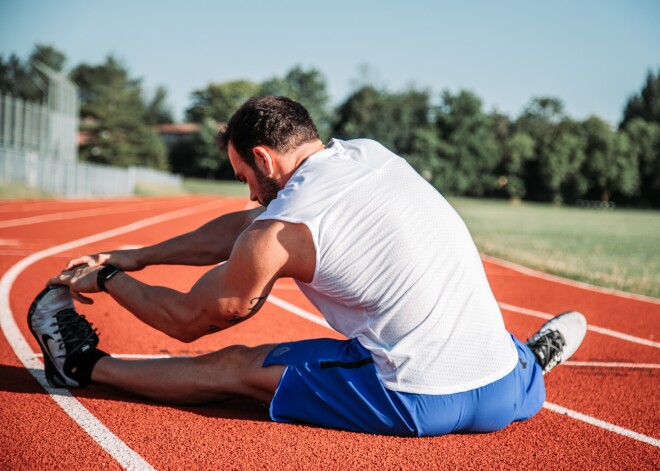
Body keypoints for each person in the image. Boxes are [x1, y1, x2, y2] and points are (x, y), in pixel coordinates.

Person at [28, 96, 587, 436]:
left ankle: (82, 367)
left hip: (415, 397)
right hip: (503, 392)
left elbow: (189, 318)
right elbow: (248, 228)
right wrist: (138, 256)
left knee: (233, 367)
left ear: (265, 160)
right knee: (462, 314)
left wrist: (108, 277)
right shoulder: (368, 154)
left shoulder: (279, 230)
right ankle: (530, 362)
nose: (247, 193)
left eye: (244, 176)